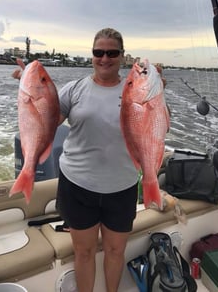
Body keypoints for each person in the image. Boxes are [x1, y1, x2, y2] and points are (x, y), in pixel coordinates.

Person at [56, 28, 139, 292]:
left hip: (122, 186)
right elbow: (44, 122)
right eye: (98, 52)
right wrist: (27, 88)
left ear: (122, 57)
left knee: (115, 251)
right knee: (84, 252)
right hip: (78, 185)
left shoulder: (135, 90)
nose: (105, 58)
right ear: (92, 55)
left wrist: (158, 88)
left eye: (112, 53)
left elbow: (160, 122)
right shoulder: (75, 89)